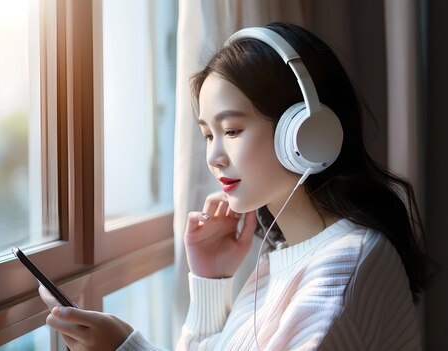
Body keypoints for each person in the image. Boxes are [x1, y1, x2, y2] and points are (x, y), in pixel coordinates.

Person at [39, 22, 431, 350]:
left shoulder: (346, 263)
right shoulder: (281, 254)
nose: (214, 156)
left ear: (305, 132)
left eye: (232, 130)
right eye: (209, 134)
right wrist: (211, 280)